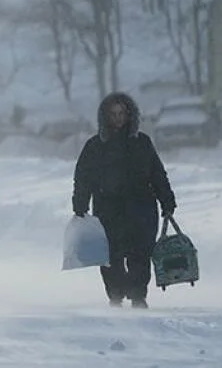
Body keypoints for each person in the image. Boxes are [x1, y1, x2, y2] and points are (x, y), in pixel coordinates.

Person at [72, 91, 177, 309]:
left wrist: (167, 201)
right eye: (113, 114)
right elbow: (83, 177)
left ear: (130, 115)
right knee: (111, 256)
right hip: (108, 209)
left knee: (140, 254)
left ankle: (139, 295)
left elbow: (157, 173)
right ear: (105, 117)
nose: (118, 118)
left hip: (141, 208)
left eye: (122, 113)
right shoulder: (95, 146)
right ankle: (116, 295)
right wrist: (80, 203)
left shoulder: (142, 143)